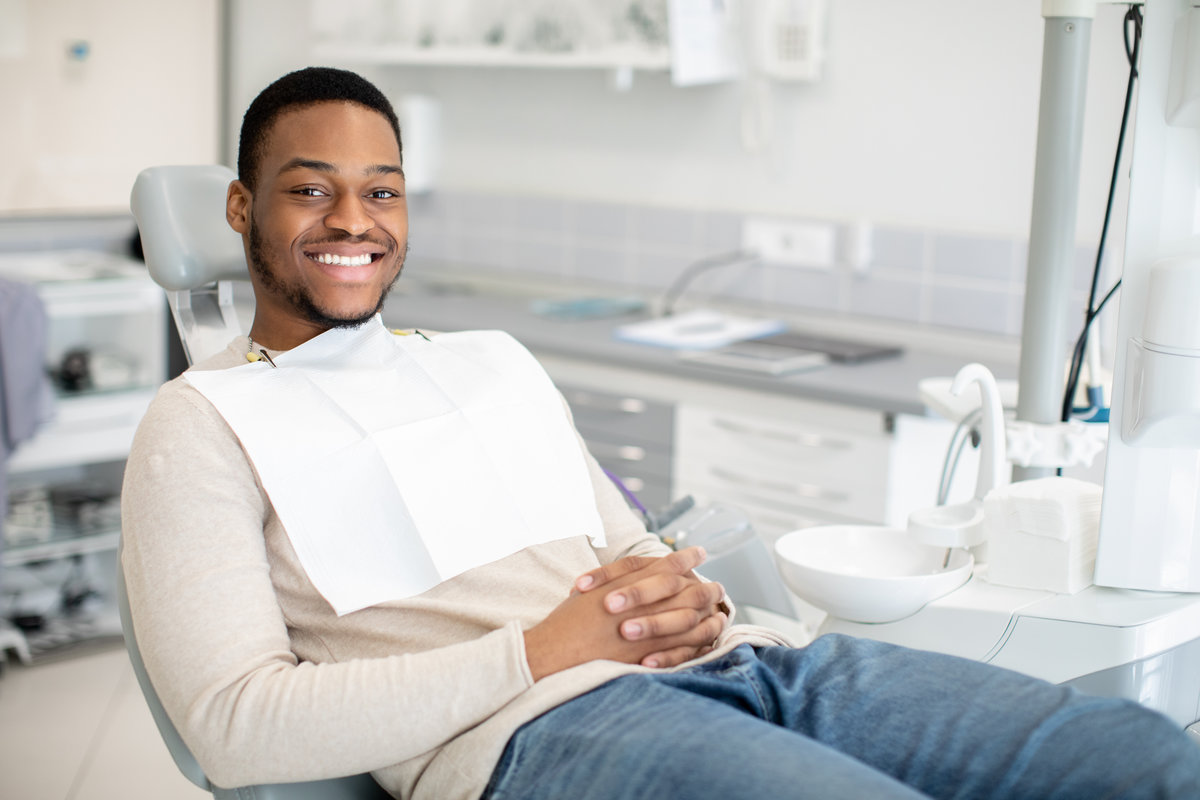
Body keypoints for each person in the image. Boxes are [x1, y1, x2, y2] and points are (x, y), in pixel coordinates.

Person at [121, 66, 1200, 800]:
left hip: (752, 662)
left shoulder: (487, 361)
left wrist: (690, 592)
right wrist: (539, 652)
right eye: (310, 190)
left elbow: (623, 543)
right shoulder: (203, 421)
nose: (352, 220)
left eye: (381, 190)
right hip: (536, 733)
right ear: (239, 208)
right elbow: (233, 721)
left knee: (1139, 758)